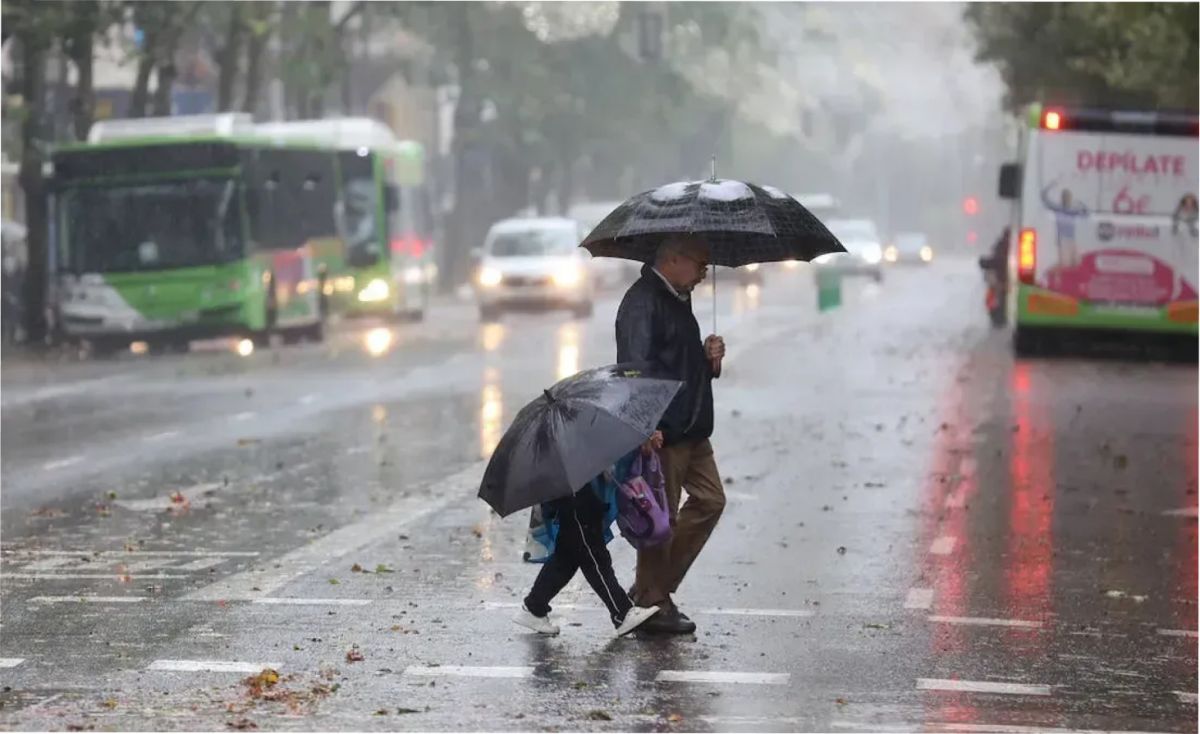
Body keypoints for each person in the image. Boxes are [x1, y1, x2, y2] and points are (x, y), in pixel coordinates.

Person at [615, 234, 726, 635]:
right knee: (661, 518)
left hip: (692, 426)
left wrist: (707, 358)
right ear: (674, 259)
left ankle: (651, 588)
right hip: (664, 430)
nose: (704, 273)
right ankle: (652, 603)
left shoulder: (678, 297)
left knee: (711, 501)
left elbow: (676, 361)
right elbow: (634, 369)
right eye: (700, 263)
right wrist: (644, 424)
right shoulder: (642, 302)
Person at [515, 448, 661, 638]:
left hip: (576, 487)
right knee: (593, 554)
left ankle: (534, 607)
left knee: (566, 559)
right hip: (572, 493)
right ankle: (622, 613)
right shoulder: (560, 437)